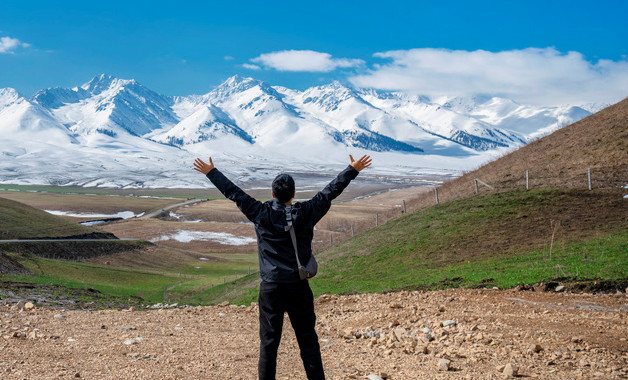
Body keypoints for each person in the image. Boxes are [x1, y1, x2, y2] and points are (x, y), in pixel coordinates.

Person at [193, 154, 372, 380]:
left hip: (271, 289)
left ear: (272, 194)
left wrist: (211, 172)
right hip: (299, 287)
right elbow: (330, 192)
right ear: (294, 194)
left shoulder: (260, 213)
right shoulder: (307, 212)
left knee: (269, 345)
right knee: (308, 341)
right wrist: (352, 169)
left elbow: (235, 193)